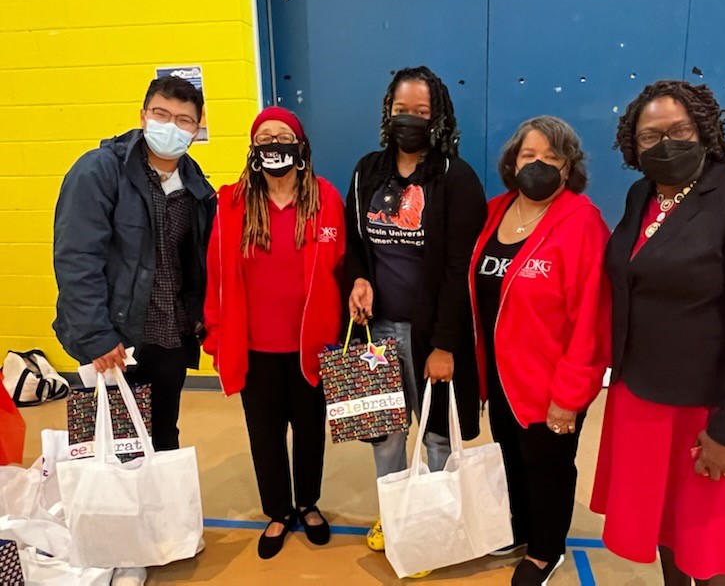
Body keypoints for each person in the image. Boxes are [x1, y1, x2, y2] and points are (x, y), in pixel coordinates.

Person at [591, 80, 725, 585]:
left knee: (707, 545)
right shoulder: (642, 195)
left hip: (712, 408)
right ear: (632, 145)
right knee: (665, 529)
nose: (665, 144)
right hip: (644, 399)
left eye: (679, 131)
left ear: (705, 130)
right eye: (650, 136)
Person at [345, 66, 487, 567]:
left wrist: (445, 344)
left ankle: (437, 520)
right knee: (385, 432)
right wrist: (358, 280)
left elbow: (460, 270)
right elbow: (355, 244)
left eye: (421, 112)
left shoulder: (457, 178)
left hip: (433, 334)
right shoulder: (367, 170)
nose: (409, 119)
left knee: (437, 433)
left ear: (438, 117)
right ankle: (396, 514)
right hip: (377, 331)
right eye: (401, 110)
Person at [470, 116, 611, 585]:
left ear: (569, 168)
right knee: (511, 457)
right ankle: (521, 528)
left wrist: (569, 397)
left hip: (550, 381)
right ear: (512, 162)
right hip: (501, 377)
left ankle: (546, 550)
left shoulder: (582, 222)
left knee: (548, 466)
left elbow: (592, 318)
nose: (539, 165)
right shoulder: (495, 211)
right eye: (529, 155)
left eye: (552, 158)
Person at [203, 107, 345, 559]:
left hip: (311, 346)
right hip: (254, 348)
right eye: (265, 138)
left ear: (300, 147)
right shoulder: (232, 204)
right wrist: (215, 334)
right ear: (253, 150)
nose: (274, 144)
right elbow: (216, 275)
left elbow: (343, 266)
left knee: (309, 431)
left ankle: (308, 503)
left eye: (283, 136)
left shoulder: (326, 198)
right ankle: (279, 511)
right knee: (264, 435)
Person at [53, 76, 215, 452]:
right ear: (143, 116)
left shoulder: (197, 186)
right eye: (161, 114)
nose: (171, 126)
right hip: (115, 339)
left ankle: (164, 495)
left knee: (164, 437)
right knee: (111, 448)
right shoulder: (98, 171)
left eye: (184, 120)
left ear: (195, 130)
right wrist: (97, 336)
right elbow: (77, 260)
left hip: (170, 337)